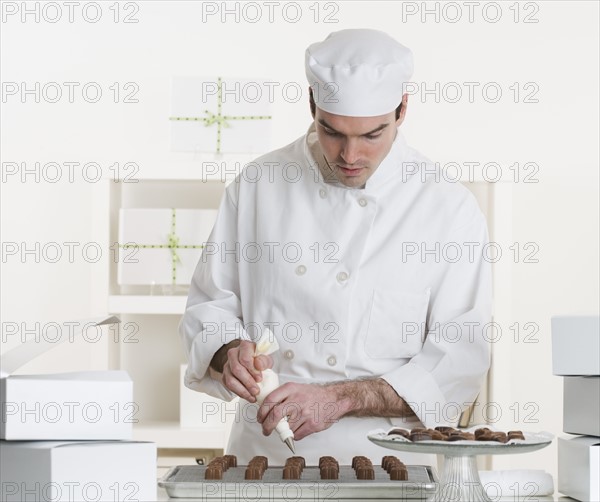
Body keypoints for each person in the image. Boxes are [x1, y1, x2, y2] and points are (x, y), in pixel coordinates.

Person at [180, 29, 492, 465]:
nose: (350, 154)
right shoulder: (258, 187)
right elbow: (208, 309)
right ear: (312, 104)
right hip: (264, 461)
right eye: (332, 131)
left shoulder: (447, 208)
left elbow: (461, 359)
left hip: (390, 466)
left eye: (371, 135)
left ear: (402, 110)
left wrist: (340, 400)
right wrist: (227, 352)